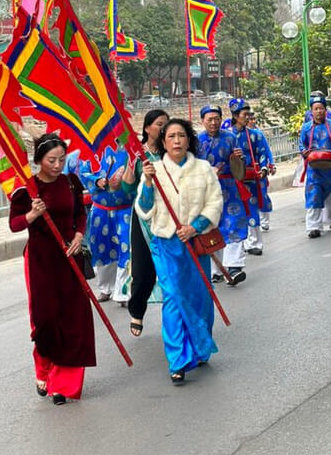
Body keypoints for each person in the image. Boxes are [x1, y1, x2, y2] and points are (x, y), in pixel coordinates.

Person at [9, 133, 95, 404]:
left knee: (73, 319)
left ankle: (63, 385)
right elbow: (14, 224)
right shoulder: (27, 189)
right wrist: (32, 214)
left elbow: (81, 214)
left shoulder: (71, 182)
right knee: (45, 320)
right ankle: (43, 367)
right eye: (51, 160)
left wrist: (79, 236)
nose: (58, 165)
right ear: (38, 160)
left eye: (61, 159)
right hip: (41, 260)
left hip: (71, 256)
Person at [135, 118, 223, 384]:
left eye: (181, 136)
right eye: (171, 136)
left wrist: (194, 227)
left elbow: (214, 203)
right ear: (163, 142)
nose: (176, 141)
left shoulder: (204, 169)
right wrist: (148, 183)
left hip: (195, 245)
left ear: (188, 139)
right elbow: (144, 207)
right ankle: (178, 360)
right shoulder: (154, 171)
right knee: (173, 298)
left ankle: (200, 345)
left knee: (199, 297)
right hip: (166, 244)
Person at [119, 109, 168, 337]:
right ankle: (137, 311)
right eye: (159, 124)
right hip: (144, 218)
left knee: (172, 267)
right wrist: (133, 163)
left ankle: (177, 315)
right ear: (147, 128)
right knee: (143, 271)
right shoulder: (138, 154)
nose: (163, 128)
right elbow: (128, 188)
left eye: (165, 124)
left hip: (170, 217)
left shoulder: (172, 152)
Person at [197, 105, 248, 285]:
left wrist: (240, 158)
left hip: (229, 188)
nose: (213, 122)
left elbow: (240, 164)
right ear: (202, 121)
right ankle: (216, 269)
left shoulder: (231, 137)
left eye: (216, 118)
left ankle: (234, 266)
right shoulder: (196, 141)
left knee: (234, 224)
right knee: (211, 226)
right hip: (206, 190)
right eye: (209, 119)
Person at [79, 142, 133, 302]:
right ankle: (105, 287)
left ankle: (123, 291)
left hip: (125, 209)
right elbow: (83, 171)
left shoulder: (130, 150)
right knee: (101, 248)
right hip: (100, 210)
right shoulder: (92, 149)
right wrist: (97, 181)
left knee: (126, 247)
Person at [299, 92, 331, 238]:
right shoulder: (306, 128)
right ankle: (314, 227)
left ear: (326, 110)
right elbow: (302, 145)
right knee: (314, 195)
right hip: (314, 167)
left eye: (321, 108)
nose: (319, 111)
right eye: (316, 108)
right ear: (311, 111)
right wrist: (304, 152)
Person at [228, 98, 272, 255]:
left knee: (252, 209)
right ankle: (240, 243)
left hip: (251, 177)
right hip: (233, 180)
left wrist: (265, 168)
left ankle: (255, 243)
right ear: (235, 116)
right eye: (245, 115)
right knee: (236, 212)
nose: (248, 118)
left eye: (249, 115)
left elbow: (262, 153)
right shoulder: (226, 136)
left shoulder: (256, 135)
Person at [247, 110, 276, 232]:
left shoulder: (258, 134)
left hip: (259, 170)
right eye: (250, 119)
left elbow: (266, 150)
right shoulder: (234, 135)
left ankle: (265, 221)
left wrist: (271, 164)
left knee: (262, 194)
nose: (252, 121)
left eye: (254, 119)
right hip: (245, 172)